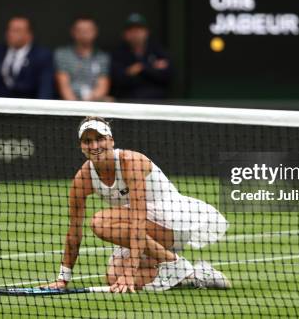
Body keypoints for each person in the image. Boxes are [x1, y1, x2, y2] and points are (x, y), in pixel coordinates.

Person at [45, 117, 230, 293]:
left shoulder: (131, 163)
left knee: (100, 222)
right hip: (146, 233)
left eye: (99, 139)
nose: (94, 146)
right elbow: (74, 232)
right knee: (113, 276)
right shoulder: (83, 178)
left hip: (172, 224)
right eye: (87, 141)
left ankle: (174, 264)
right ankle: (194, 275)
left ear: (111, 141)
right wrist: (63, 278)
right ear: (81, 146)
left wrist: (130, 273)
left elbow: (138, 219)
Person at [0, 16, 55, 99]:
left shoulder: (42, 55)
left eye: (17, 30)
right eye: (9, 29)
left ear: (29, 35)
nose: (10, 33)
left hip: (27, 106)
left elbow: (45, 87)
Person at [111, 13, 172, 100]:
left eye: (139, 30)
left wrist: (141, 68)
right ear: (125, 34)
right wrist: (151, 67)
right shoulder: (118, 53)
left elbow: (167, 75)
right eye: (131, 30)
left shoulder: (157, 50)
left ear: (146, 32)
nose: (135, 34)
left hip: (156, 103)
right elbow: (118, 80)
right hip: (128, 103)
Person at [54, 16, 110, 101]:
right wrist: (76, 109)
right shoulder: (62, 54)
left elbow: (102, 86)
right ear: (73, 32)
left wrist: (87, 106)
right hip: (69, 105)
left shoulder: (102, 56)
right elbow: (64, 86)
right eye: (80, 30)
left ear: (95, 32)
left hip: (94, 104)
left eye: (88, 30)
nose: (84, 33)